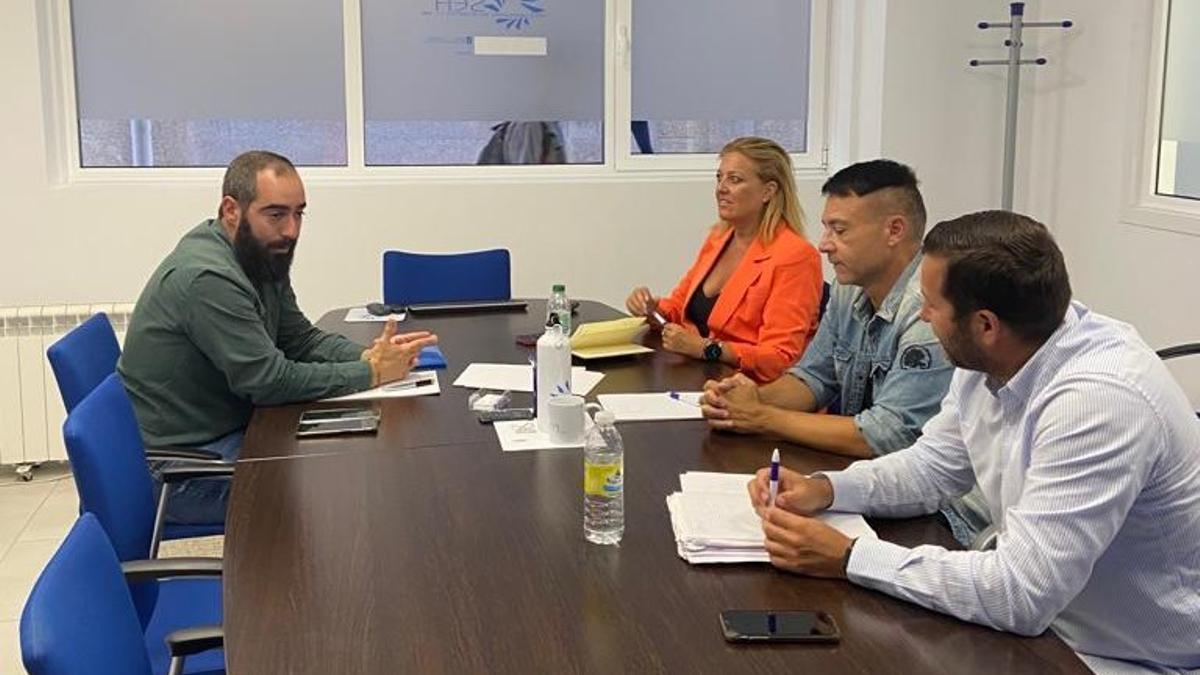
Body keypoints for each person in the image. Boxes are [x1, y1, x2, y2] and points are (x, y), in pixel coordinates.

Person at [747, 211, 1200, 671]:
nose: (922, 315)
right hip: (1052, 627)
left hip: (1129, 659)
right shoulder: (995, 354)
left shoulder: (1098, 403)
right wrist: (827, 489)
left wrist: (849, 557)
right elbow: (931, 468)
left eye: (930, 305)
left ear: (985, 325)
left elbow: (1021, 594)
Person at [118, 150, 437, 524]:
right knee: (329, 497)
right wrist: (372, 374)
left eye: (299, 213)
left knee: (347, 467)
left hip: (226, 432)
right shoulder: (208, 278)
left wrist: (370, 355)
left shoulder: (258, 252)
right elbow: (268, 381)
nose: (292, 230)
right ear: (231, 210)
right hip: (180, 469)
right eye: (276, 214)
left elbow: (299, 339)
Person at [701, 159, 954, 459]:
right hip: (862, 474)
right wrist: (747, 400)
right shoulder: (848, 290)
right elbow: (814, 378)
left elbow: (890, 434)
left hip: (926, 494)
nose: (824, 245)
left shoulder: (930, 310)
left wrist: (763, 417)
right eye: (826, 229)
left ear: (894, 230)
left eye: (840, 230)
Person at [625, 137, 823, 383]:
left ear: (768, 191)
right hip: (697, 379)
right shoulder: (719, 238)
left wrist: (707, 348)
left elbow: (780, 358)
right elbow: (678, 308)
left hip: (751, 393)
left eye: (735, 179)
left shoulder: (795, 256)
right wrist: (652, 309)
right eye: (720, 178)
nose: (721, 188)